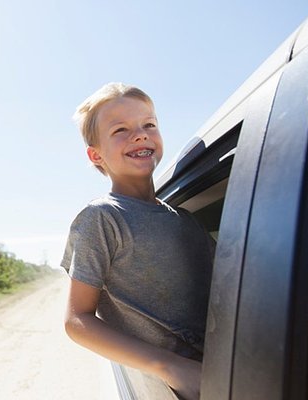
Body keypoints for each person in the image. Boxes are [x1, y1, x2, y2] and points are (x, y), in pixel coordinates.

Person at [61, 82, 214, 400]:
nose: (141, 134)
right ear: (96, 154)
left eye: (149, 125)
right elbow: (77, 320)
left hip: (236, 367)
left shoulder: (185, 220)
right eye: (121, 130)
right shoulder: (102, 218)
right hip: (182, 386)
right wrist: (171, 367)